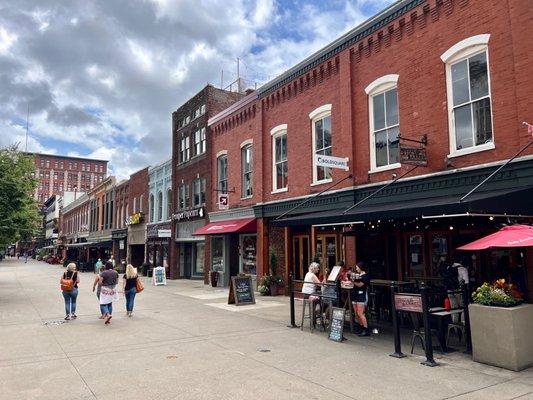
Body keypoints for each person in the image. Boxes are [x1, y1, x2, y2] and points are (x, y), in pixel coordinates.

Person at [351, 261, 371, 337]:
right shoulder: (358, 275)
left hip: (361, 294)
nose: (356, 268)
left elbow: (360, 285)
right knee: (356, 313)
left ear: (361, 267)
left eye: (357, 267)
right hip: (355, 294)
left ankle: (366, 329)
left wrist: (352, 281)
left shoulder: (366, 276)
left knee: (360, 313)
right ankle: (361, 327)